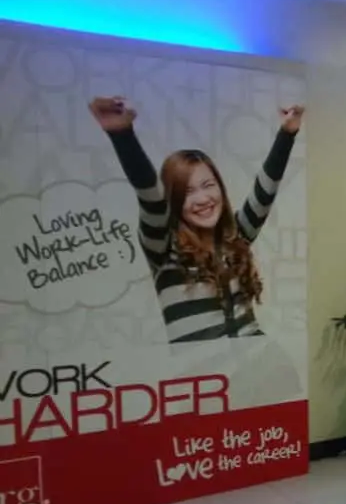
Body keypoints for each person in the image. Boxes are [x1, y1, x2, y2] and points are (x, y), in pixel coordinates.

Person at [88, 96, 304, 344]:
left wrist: (287, 133)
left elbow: (265, 190)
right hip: (203, 369)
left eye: (208, 185)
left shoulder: (236, 236)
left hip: (261, 362)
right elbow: (150, 195)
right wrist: (122, 135)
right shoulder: (163, 248)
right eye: (188, 192)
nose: (202, 199)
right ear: (173, 199)